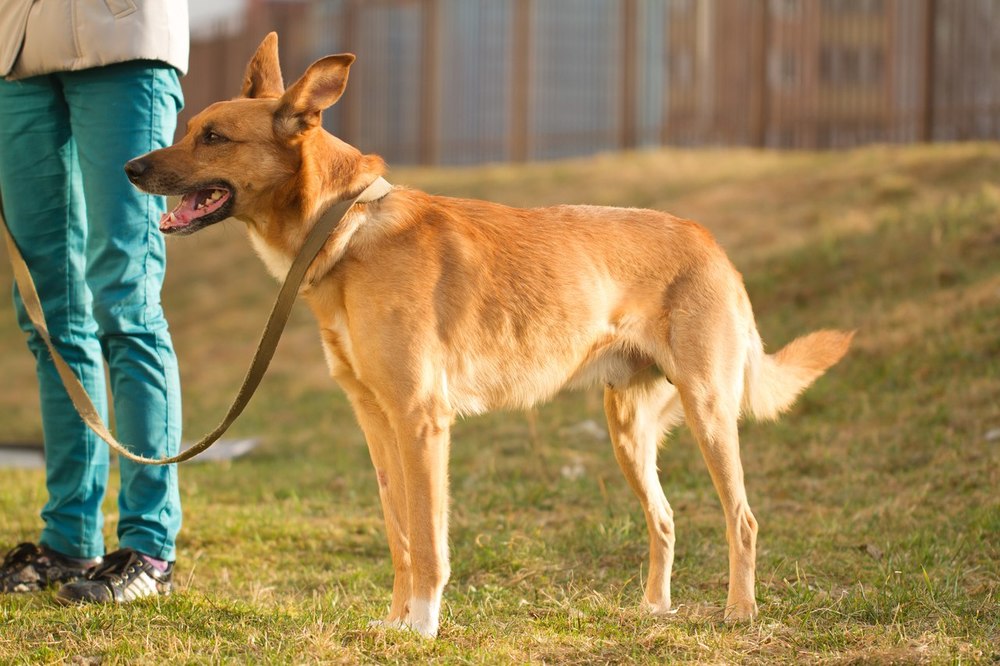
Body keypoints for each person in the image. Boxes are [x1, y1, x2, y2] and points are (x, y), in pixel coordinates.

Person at [0, 0, 188, 603]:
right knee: (49, 314)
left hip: (123, 41)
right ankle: (68, 540)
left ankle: (149, 546)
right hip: (17, 54)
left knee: (125, 300)